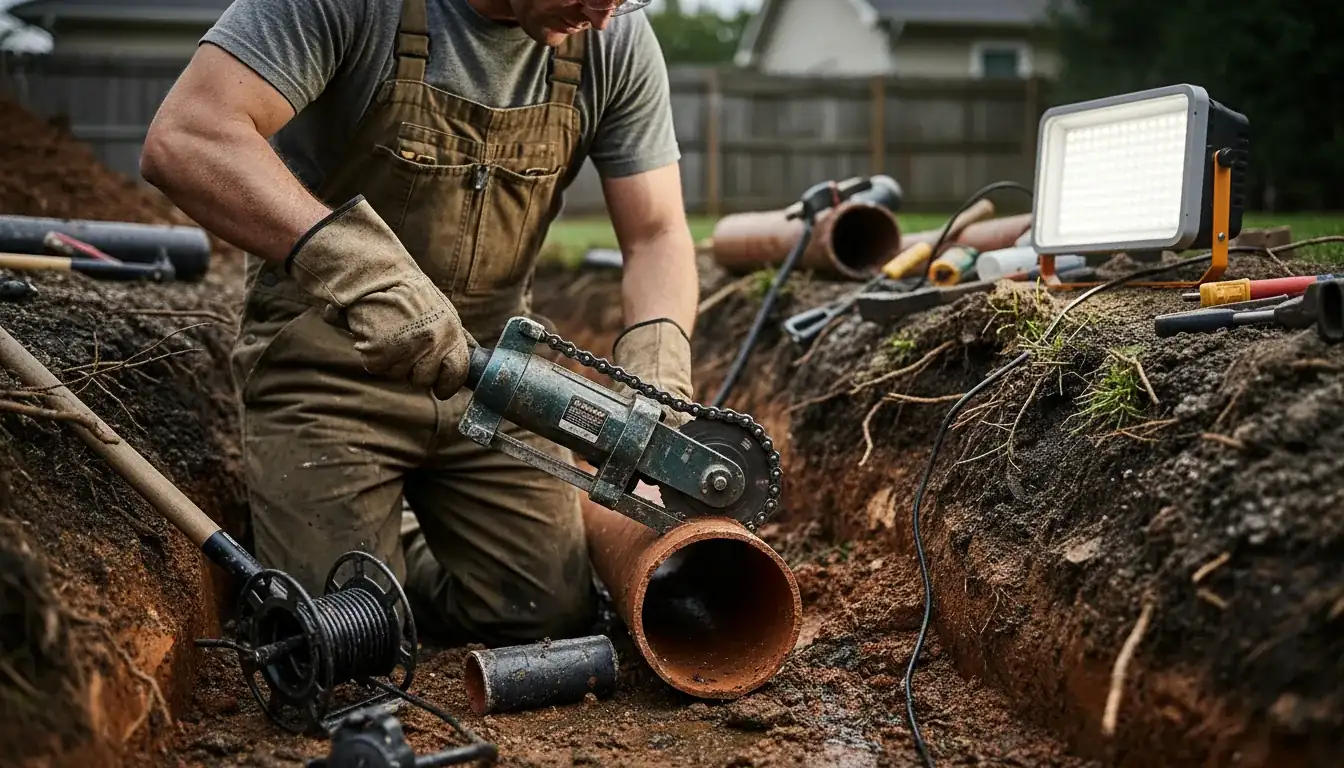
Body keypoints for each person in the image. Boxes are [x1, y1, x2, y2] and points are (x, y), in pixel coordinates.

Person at [140, 0, 698, 646]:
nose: (603, 18)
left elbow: (657, 233)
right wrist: (359, 269)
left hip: (496, 377)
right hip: (329, 371)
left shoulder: (612, 38)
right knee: (352, 637)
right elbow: (188, 135)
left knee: (542, 617)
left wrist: (657, 378)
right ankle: (367, 568)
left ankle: (402, 553)